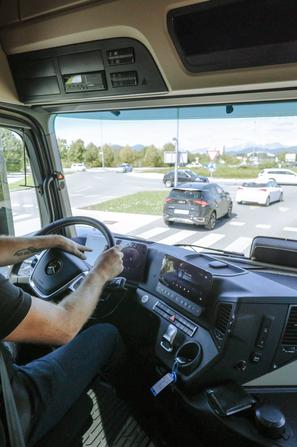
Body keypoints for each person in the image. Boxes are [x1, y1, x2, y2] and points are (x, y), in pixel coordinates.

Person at [0, 233, 124, 446]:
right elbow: (64, 327)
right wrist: (101, 272)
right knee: (106, 334)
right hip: (12, 410)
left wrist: (52, 241)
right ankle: (132, 408)